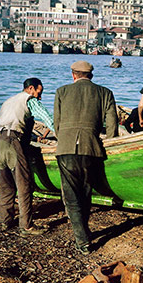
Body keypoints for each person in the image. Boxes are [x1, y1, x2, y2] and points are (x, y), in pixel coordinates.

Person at [54, 60, 118, 254]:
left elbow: (57, 124)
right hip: (91, 148)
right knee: (86, 192)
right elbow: (112, 124)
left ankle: (82, 241)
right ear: (91, 75)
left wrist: (64, 138)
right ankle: (84, 233)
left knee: (72, 196)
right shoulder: (105, 92)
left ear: (73, 75)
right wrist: (112, 141)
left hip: (65, 147)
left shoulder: (61, 91)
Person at [0, 78, 55, 235]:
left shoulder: (8, 101)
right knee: (24, 185)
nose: (39, 97)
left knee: (5, 186)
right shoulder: (30, 100)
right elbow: (49, 120)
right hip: (12, 141)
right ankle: (26, 226)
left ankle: (4, 222)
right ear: (31, 89)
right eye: (39, 93)